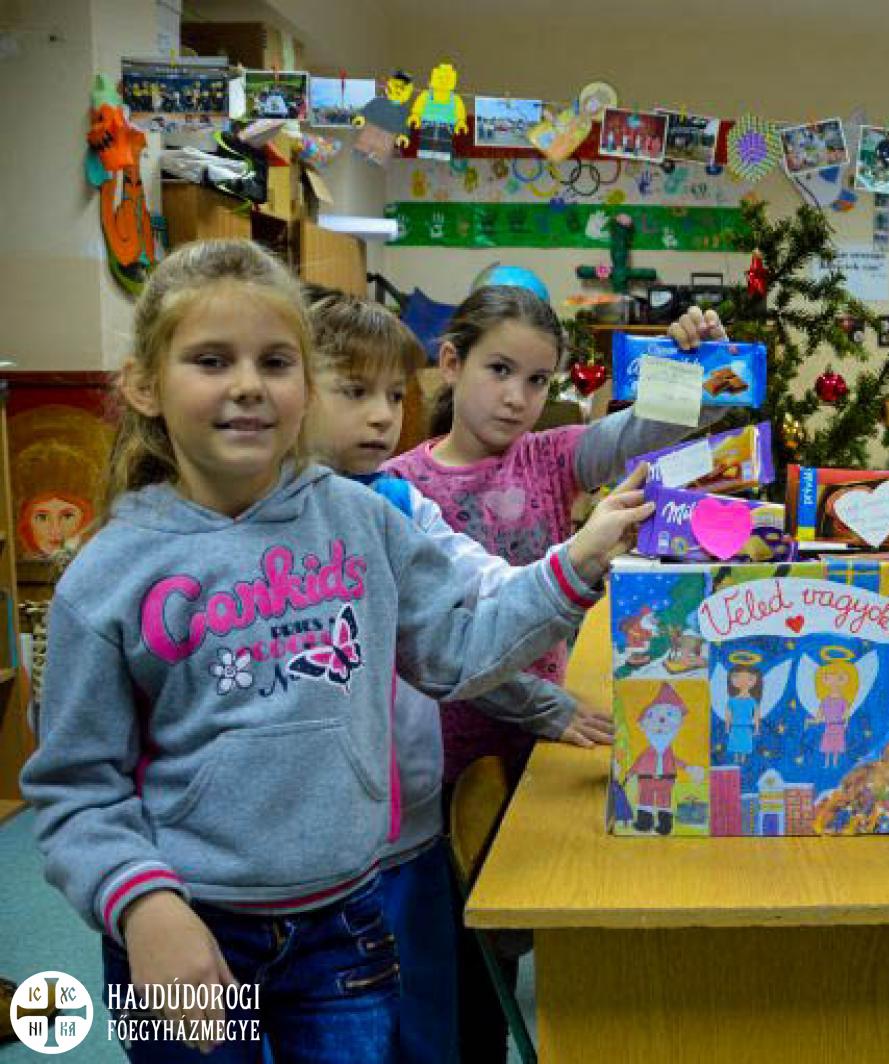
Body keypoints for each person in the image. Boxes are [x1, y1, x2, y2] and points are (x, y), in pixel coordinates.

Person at [21, 240, 652, 1062]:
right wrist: (142, 907)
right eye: (211, 360)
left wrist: (574, 567)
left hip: (346, 925)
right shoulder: (108, 575)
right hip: (184, 923)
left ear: (305, 383)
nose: (249, 384)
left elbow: (457, 653)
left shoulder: (366, 522)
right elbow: (75, 788)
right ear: (144, 384)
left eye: (275, 362)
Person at [384, 294, 724, 1063]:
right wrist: (543, 706)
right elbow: (440, 646)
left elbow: (651, 431)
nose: (517, 396)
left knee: (525, 934)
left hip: (536, 754)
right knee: (463, 968)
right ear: (451, 363)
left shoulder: (550, 455)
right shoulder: (402, 489)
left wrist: (699, 366)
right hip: (449, 759)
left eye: (537, 380)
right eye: (499, 370)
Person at [302, 290, 614, 1062]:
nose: (382, 416)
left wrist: (575, 564)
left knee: (429, 1023)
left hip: (405, 828)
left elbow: (473, 599)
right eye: (355, 391)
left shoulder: (395, 501)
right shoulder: (276, 518)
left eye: (393, 395)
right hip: (300, 853)